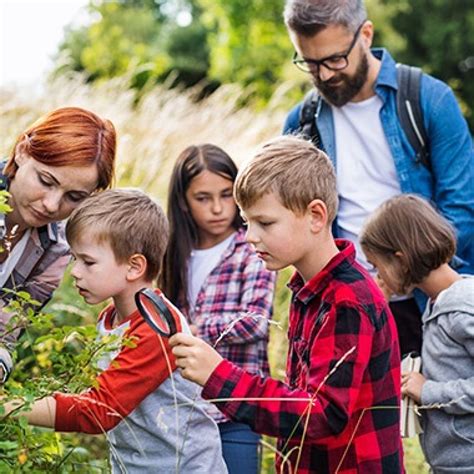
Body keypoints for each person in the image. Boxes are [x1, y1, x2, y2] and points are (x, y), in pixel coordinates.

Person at [169, 136, 403, 474]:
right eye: (247, 222)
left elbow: (321, 414)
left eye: (265, 223)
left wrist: (219, 376)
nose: (250, 236)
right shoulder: (308, 289)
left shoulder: (347, 301)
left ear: (315, 216)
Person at [282, 0, 474, 357]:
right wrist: (356, 288)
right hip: (348, 306)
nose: (323, 75)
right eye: (309, 63)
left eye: (335, 59)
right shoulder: (301, 123)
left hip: (433, 303)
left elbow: (461, 209)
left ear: (365, 35)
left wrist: (398, 274)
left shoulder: (428, 100)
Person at [2, 189, 228, 473]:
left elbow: (99, 411)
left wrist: (8, 406)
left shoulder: (156, 327)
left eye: (88, 261)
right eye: (74, 258)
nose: (75, 272)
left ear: (134, 266)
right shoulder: (111, 318)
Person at [159, 144, 276, 474]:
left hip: (235, 407)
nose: (217, 208)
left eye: (227, 195)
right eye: (203, 198)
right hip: (184, 409)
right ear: (183, 200)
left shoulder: (251, 248)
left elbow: (257, 321)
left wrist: (195, 332)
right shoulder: (173, 253)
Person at [0, 106, 116, 383]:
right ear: (22, 151)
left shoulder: (56, 248)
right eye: (45, 180)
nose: (52, 205)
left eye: (74, 197)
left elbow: (6, 332)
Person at [360, 194, 474, 473]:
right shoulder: (436, 305)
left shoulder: (462, 309)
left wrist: (429, 390)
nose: (378, 276)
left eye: (378, 266)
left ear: (401, 260)